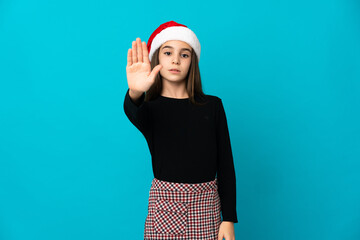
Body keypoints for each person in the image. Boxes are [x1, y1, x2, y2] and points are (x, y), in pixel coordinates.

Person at [123, 21, 237, 240]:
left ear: (192, 61)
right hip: (165, 208)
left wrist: (229, 218)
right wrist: (135, 92)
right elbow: (132, 109)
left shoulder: (213, 106)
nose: (175, 60)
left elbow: (226, 164)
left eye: (184, 55)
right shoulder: (150, 109)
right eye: (167, 52)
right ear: (156, 58)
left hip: (207, 207)